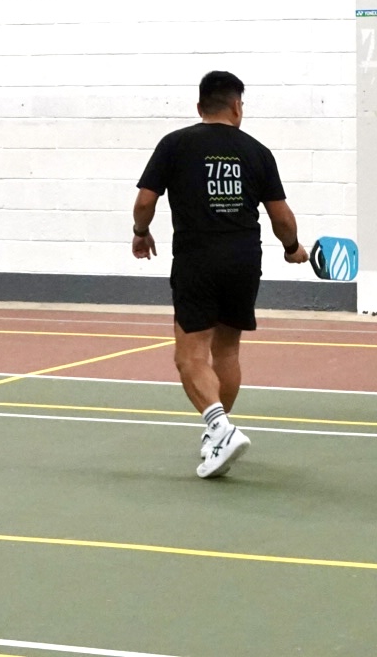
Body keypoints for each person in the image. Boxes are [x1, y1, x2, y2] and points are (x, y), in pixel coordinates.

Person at [133, 70, 308, 477]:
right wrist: (292, 249)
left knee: (189, 354)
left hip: (197, 259)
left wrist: (141, 233)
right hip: (244, 259)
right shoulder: (257, 151)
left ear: (199, 107)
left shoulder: (175, 144)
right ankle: (217, 434)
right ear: (236, 106)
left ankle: (219, 429)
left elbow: (145, 202)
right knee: (227, 351)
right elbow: (280, 216)